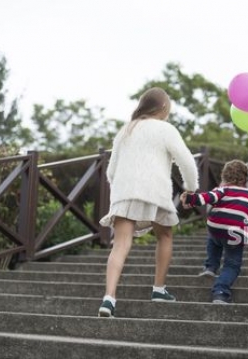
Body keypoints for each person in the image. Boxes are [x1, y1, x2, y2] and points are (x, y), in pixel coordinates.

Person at [98, 87, 199, 317]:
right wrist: (191, 189)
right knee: (164, 235)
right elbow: (187, 162)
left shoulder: (126, 130)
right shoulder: (165, 129)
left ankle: (109, 298)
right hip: (155, 191)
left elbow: (111, 171)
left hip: (125, 192)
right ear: (164, 107)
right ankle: (158, 289)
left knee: (120, 245)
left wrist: (123, 189)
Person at [180, 160, 248, 304]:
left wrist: (189, 198)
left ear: (223, 176)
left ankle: (210, 267)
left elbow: (207, 198)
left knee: (214, 240)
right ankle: (220, 292)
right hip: (236, 233)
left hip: (216, 228)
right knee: (232, 265)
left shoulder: (222, 189)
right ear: (245, 179)